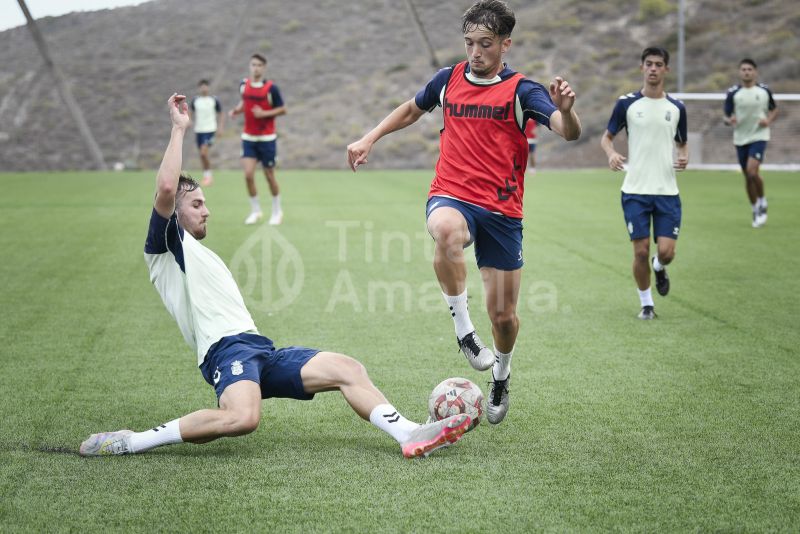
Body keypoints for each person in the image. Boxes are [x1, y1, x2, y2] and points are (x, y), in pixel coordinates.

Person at [79, 94, 471, 459]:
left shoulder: (197, 251)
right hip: (225, 351)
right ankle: (130, 441)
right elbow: (167, 187)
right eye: (196, 204)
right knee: (242, 418)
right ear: (174, 212)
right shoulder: (166, 244)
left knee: (347, 368)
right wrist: (179, 129)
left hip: (258, 349)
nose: (206, 211)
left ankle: (409, 434)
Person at [347, 0, 581, 425]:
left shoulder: (522, 90)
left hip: (502, 212)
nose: (475, 52)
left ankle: (501, 375)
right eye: (470, 42)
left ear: (505, 44)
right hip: (451, 194)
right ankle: (465, 332)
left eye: (485, 44)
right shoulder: (448, 79)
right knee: (445, 230)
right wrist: (369, 138)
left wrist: (565, 109)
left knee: (504, 318)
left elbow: (568, 132)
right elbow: (411, 109)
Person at [600, 46, 688, 320]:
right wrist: (612, 154)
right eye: (648, 63)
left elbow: (682, 143)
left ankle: (659, 266)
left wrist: (684, 157)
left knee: (667, 252)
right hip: (635, 191)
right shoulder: (626, 104)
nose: (653, 68)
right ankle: (647, 304)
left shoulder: (677, 108)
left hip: (667, 191)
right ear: (642, 68)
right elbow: (606, 138)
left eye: (658, 64)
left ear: (666, 69)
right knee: (640, 252)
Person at [229, 54, 286, 225]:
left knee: (269, 176)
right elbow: (244, 102)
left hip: (267, 139)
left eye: (260, 65)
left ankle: (277, 212)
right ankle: (256, 211)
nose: (256, 68)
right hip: (248, 138)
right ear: (250, 66)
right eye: (253, 64)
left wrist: (264, 113)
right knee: (248, 175)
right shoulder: (243, 85)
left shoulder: (271, 88)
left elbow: (283, 109)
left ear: (264, 68)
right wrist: (236, 111)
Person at [723, 58, 778, 228]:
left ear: (755, 71)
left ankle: (762, 200)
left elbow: (774, 109)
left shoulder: (764, 91)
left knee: (752, 171)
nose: (746, 72)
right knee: (748, 176)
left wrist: (768, 120)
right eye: (743, 69)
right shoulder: (733, 93)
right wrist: (730, 120)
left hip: (759, 135)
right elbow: (726, 117)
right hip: (740, 138)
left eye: (749, 69)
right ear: (739, 72)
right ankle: (755, 209)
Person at [189, 79, 223, 187]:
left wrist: (220, 127)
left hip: (210, 130)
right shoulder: (195, 100)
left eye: (205, 86)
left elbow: (221, 113)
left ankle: (208, 176)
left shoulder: (214, 100)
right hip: (199, 130)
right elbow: (190, 111)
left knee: (204, 153)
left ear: (208, 87)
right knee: (202, 155)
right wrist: (189, 120)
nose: (204, 88)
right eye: (202, 86)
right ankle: (206, 176)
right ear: (199, 88)